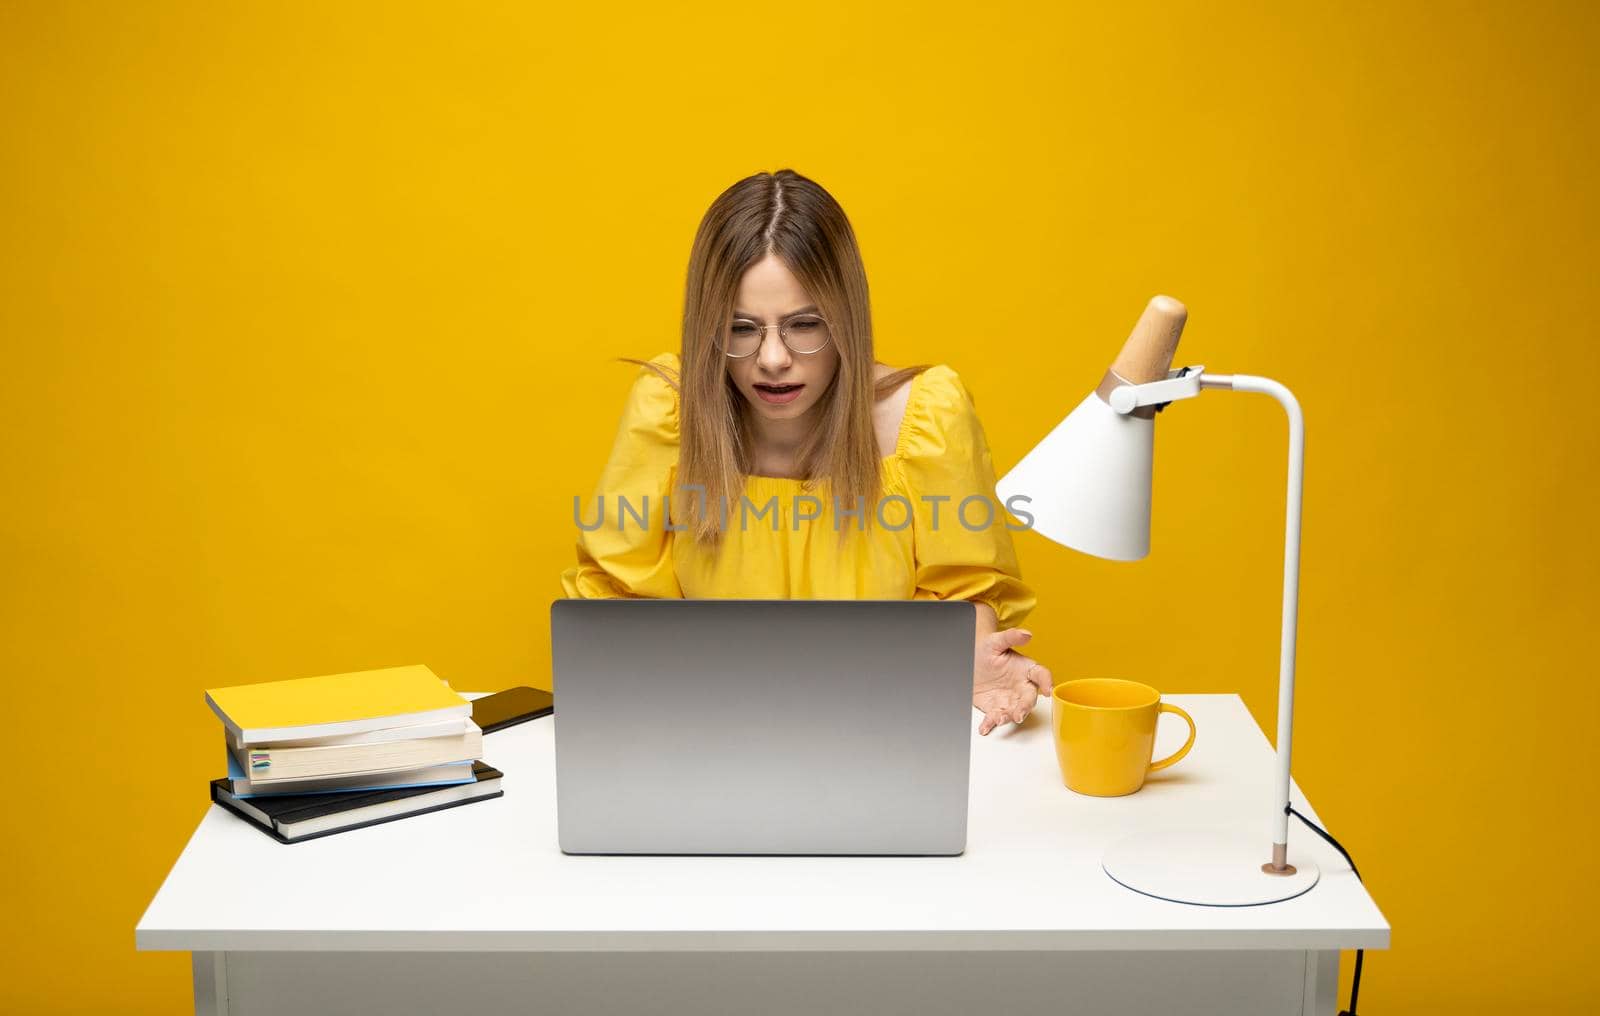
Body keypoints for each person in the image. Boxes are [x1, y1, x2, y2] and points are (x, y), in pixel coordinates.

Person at [560, 169, 1052, 734]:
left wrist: (976, 667)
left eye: (804, 324)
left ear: (847, 318)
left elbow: (964, 597)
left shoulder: (928, 417)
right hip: (708, 734)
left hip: (878, 732)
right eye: (741, 328)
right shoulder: (668, 411)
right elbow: (615, 605)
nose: (772, 358)